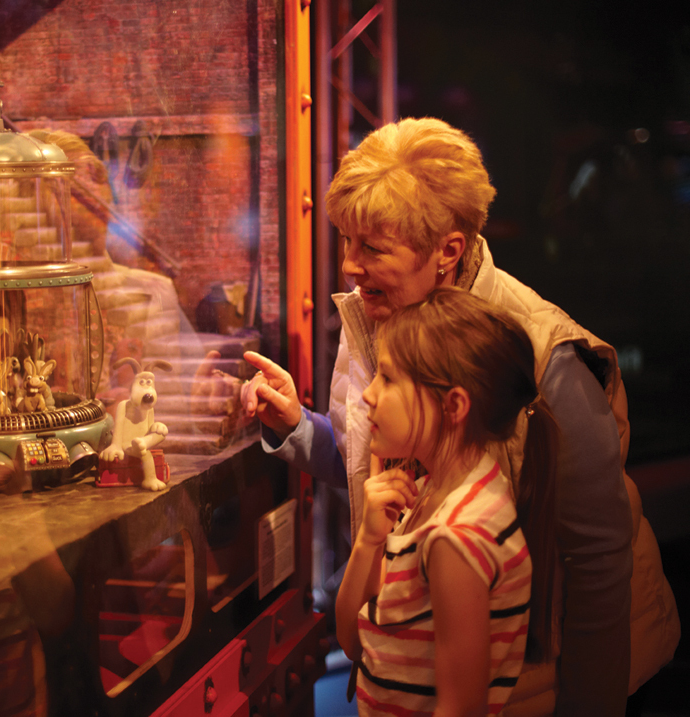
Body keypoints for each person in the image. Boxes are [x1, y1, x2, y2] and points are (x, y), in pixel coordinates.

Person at [241, 117, 679, 715]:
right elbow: (377, 463)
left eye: (373, 248)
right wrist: (297, 427)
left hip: (539, 689)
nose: (349, 266)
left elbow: (597, 560)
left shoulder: (540, 355)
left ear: (448, 250)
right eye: (346, 241)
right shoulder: (383, 316)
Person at [336, 287, 556, 716]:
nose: (368, 394)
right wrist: (368, 541)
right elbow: (354, 641)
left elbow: (460, 707)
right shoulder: (427, 495)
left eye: (388, 378)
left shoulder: (456, 536)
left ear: (453, 405)